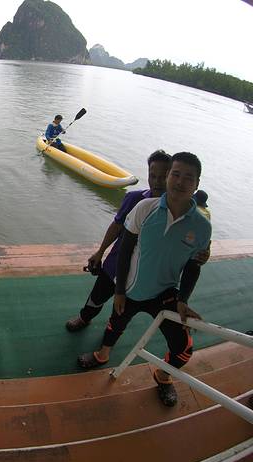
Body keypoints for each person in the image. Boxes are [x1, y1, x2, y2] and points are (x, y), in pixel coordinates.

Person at [77, 152, 212, 407]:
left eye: (188, 177)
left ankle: (163, 375)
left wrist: (183, 300)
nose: (179, 181)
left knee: (183, 348)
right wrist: (119, 290)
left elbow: (194, 265)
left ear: (197, 184)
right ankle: (103, 355)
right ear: (168, 176)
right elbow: (125, 250)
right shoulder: (144, 207)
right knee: (116, 324)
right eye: (176, 174)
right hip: (132, 287)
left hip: (166, 292)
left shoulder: (202, 227)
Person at [65, 150, 172, 332]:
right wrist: (100, 252)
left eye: (163, 177)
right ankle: (84, 317)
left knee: (123, 310)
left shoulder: (173, 211)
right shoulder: (134, 198)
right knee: (98, 295)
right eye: (152, 176)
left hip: (142, 272)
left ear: (171, 177)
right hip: (115, 262)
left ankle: (111, 335)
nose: (157, 181)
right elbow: (116, 226)